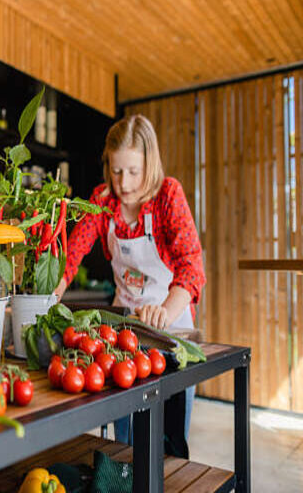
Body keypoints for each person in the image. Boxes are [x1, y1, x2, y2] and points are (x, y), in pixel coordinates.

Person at [54, 114, 205, 455]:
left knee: (169, 445)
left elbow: (192, 266)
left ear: (150, 164)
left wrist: (165, 312)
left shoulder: (168, 195)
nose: (123, 182)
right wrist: (47, 299)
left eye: (133, 171)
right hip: (124, 334)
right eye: (117, 170)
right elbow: (71, 257)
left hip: (173, 329)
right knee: (126, 441)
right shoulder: (102, 200)